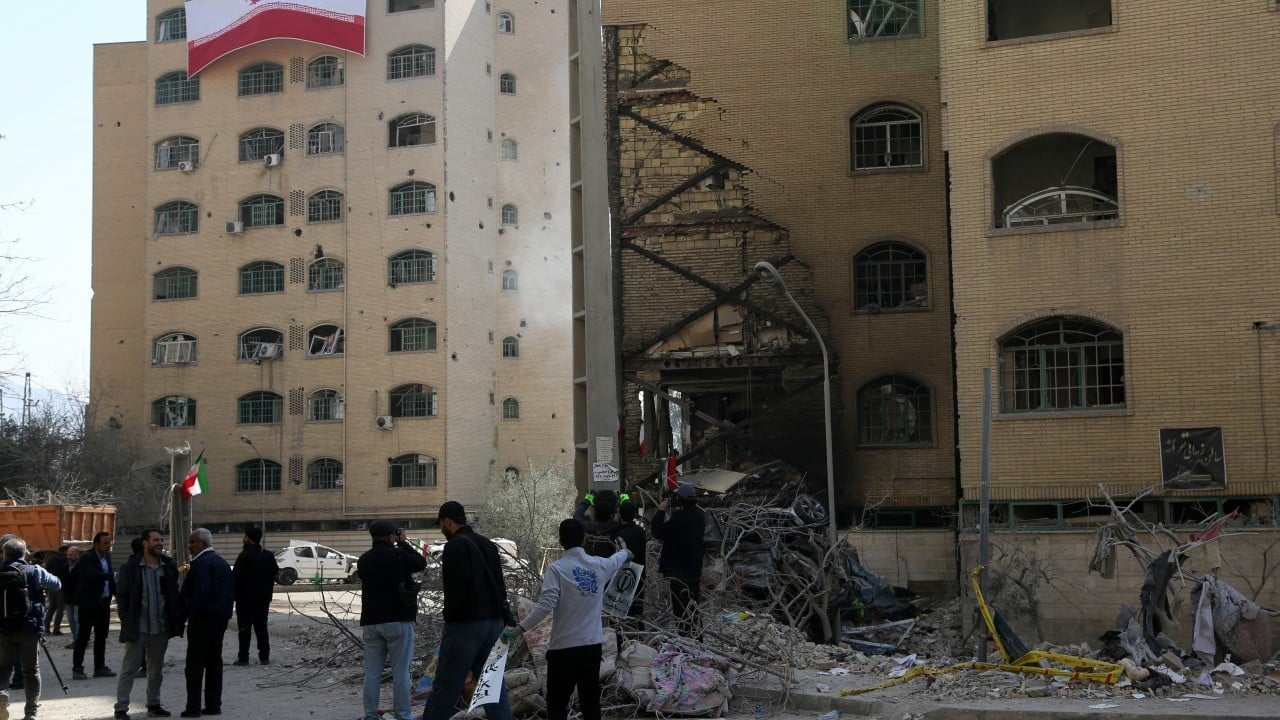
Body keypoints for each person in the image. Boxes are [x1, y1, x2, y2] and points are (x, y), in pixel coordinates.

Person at [505, 519, 630, 720]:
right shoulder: (600, 565)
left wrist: (520, 628)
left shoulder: (557, 569)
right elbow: (619, 558)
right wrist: (625, 551)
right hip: (591, 647)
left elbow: (545, 605)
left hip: (563, 650)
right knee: (590, 703)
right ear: (584, 539)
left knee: (557, 704)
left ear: (560, 541)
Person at [421, 502, 512, 720]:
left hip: (467, 626)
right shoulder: (488, 544)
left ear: (448, 521)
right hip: (495, 623)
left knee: (446, 687)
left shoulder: (454, 546)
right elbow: (500, 585)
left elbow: (455, 590)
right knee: (491, 685)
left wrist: (450, 622)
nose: (441, 528)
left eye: (441, 524)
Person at [356, 520, 426, 720]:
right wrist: (403, 542)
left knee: (372, 673)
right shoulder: (398, 555)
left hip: (371, 621)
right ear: (390, 536)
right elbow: (420, 562)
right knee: (401, 672)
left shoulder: (364, 560)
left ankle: (370, 715)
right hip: (398, 620)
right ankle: (403, 715)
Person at [115, 529, 182, 720]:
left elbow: (172, 593)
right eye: (156, 540)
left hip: (160, 628)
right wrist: (126, 621)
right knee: (129, 669)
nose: (160, 543)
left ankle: (154, 704)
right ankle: (121, 707)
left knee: (155, 671)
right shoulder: (130, 568)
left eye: (162, 540)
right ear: (145, 543)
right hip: (138, 628)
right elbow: (122, 597)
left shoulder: (167, 566)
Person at [0, 537, 61, 720]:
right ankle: (31, 712)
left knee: (3, 668)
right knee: (31, 670)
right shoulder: (35, 571)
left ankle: (2, 693)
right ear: (24, 553)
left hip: (3, 629)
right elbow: (57, 584)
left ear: (4, 554)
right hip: (30, 628)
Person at [177, 529, 234, 718]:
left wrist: (189, 612)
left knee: (195, 665)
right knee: (214, 662)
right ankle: (213, 705)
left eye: (192, 543)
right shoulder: (222, 563)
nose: (189, 547)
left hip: (202, 620)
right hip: (219, 619)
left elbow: (200, 593)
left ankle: (193, 707)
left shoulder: (201, 564)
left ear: (202, 544)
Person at [650, 483, 706, 636]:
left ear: (680, 501)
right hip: (694, 570)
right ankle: (696, 638)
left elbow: (657, 532)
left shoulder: (679, 519)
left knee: (680, 608)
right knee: (693, 606)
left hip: (679, 572)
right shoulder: (699, 517)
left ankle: (686, 639)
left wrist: (661, 512)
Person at [71, 531, 117, 680]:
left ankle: (99, 667)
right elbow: (94, 575)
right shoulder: (87, 557)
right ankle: (77, 668)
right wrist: (113, 575)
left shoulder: (107, 557)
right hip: (88, 603)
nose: (108, 545)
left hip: (103, 603)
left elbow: (109, 579)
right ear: (96, 544)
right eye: (106, 543)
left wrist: (117, 594)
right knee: (83, 636)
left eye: (110, 542)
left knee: (101, 636)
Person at [232, 527, 278, 666]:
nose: (243, 539)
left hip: (245, 600)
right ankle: (264, 656)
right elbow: (274, 572)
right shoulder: (268, 555)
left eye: (245, 536)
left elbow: (236, 578)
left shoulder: (244, 556)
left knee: (244, 629)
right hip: (263, 599)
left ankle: (243, 657)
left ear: (249, 538)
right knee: (261, 628)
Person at [616, 499, 648, 618]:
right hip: (640, 574)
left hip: (624, 576)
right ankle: (639, 633)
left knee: (623, 611)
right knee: (638, 609)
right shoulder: (640, 531)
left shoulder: (619, 534)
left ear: (620, 515)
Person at [42, 545, 70, 636]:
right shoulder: (66, 560)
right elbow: (67, 574)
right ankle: (56, 629)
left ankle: (46, 628)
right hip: (62, 588)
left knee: (51, 608)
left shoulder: (51, 559)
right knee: (60, 609)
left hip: (52, 587)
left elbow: (47, 572)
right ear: (66, 551)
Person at [64, 546, 82, 649]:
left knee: (77, 620)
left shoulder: (81, 567)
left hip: (78, 598)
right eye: (68, 554)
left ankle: (78, 641)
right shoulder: (66, 566)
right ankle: (76, 639)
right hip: (68, 598)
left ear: (77, 555)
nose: (69, 557)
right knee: (71, 620)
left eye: (71, 555)